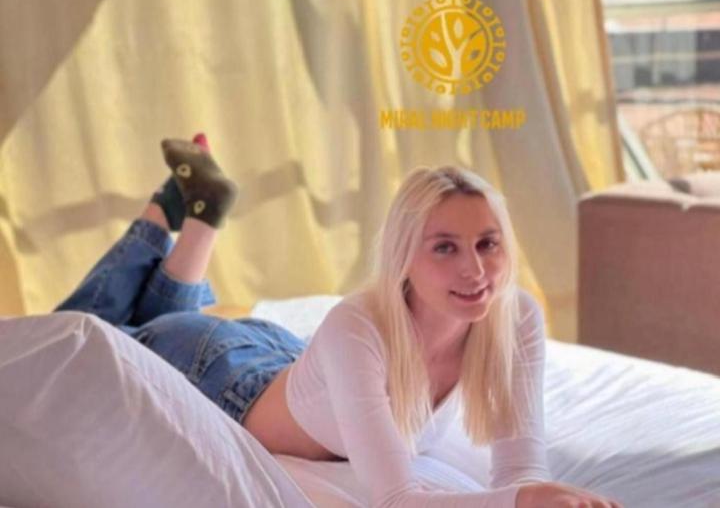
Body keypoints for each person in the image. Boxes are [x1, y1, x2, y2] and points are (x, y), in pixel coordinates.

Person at [56, 137, 623, 508]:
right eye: (445, 247)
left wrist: (546, 498)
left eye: (487, 244)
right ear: (403, 256)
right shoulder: (358, 324)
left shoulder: (514, 315)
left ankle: (199, 210)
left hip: (288, 358)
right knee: (81, 332)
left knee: (155, 320)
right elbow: (395, 500)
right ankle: (165, 212)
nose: (475, 270)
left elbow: (521, 469)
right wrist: (521, 501)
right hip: (222, 377)